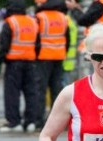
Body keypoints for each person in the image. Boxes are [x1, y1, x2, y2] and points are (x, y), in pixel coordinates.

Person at [0, 0, 40, 133]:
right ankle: (31, 122)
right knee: (31, 93)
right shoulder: (33, 22)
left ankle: (14, 122)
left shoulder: (10, 22)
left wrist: (0, 59)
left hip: (14, 63)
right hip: (30, 63)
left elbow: (4, 44)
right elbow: (38, 44)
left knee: (12, 94)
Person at [35, 0, 71, 129]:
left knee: (40, 90)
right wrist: (62, 52)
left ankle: (39, 121)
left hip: (43, 57)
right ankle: (58, 122)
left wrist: (36, 54)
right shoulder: (62, 17)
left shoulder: (40, 17)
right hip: (59, 56)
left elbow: (36, 38)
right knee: (57, 90)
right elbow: (67, 38)